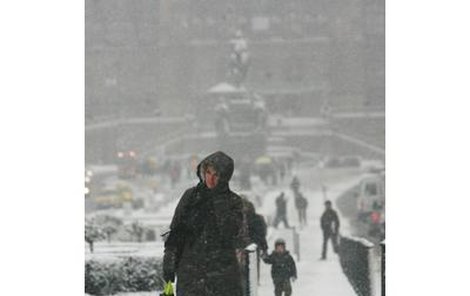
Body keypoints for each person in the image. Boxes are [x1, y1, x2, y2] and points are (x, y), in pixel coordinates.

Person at [162, 151, 244, 296]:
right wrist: (169, 261)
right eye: (208, 173)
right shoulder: (191, 197)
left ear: (224, 177)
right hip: (190, 274)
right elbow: (177, 231)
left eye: (216, 175)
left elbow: (231, 232)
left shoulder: (233, 201)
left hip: (223, 277)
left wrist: (219, 201)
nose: (210, 179)